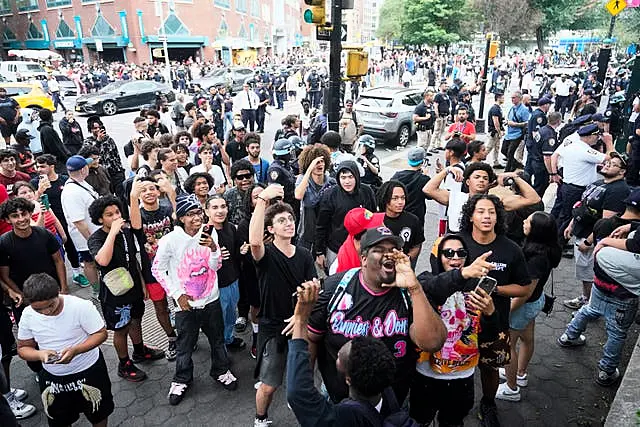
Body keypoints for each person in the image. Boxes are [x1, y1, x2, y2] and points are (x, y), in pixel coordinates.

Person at [308, 226, 447, 404]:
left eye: (393, 251)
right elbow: (312, 338)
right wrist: (308, 387)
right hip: (340, 400)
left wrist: (414, 288)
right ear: (364, 259)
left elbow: (432, 343)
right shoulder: (334, 288)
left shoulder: (410, 294)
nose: (388, 255)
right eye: (380, 250)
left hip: (391, 402)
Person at [287, 281, 412, 427]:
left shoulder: (343, 419)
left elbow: (298, 393)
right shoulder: (387, 395)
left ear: (348, 380)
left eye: (339, 357)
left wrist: (301, 319)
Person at [152, 193, 238, 404]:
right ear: (181, 218)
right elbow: (157, 269)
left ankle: (221, 370)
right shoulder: (170, 240)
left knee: (217, 339)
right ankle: (181, 379)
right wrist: (177, 294)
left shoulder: (208, 234)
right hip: (186, 305)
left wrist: (213, 248)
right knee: (185, 344)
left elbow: (215, 266)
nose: (197, 218)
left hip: (211, 299)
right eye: (190, 214)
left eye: (198, 212)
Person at [458, 194, 531, 427]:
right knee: (456, 365)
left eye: (491, 212)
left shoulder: (511, 249)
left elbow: (524, 288)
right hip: (458, 323)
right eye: (480, 211)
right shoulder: (456, 244)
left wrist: (495, 289)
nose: (487, 216)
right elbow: (439, 276)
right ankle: (454, 405)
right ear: (471, 215)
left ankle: (488, 403)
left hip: (495, 322)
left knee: (489, 367)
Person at [412, 234, 499, 426]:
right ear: (436, 256)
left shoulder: (477, 288)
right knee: (420, 420)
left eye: (461, 253)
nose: (455, 257)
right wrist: (463, 274)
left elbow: (488, 336)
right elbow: (434, 288)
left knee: (453, 421)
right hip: (426, 375)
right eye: (448, 253)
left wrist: (490, 313)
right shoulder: (425, 280)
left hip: (462, 377)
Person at [249, 186, 317, 427]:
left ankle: (295, 399)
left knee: (302, 377)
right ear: (271, 229)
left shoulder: (305, 256)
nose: (288, 223)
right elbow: (254, 241)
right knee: (268, 385)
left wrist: (299, 317)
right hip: (273, 327)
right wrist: (262, 200)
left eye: (290, 218)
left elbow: (312, 291)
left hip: (299, 325)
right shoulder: (266, 255)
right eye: (281, 220)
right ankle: (260, 418)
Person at [16, 273, 113, 427]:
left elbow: (101, 334)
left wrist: (76, 350)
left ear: (58, 293)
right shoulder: (28, 314)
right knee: (59, 418)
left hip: (89, 370)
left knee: (98, 413)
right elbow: (23, 348)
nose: (46, 312)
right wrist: (39, 354)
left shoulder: (80, 306)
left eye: (50, 305)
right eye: (38, 310)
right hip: (53, 377)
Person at [558, 209, 640, 386]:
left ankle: (569, 336)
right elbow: (634, 246)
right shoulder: (629, 247)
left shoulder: (604, 235)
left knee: (589, 309)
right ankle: (607, 370)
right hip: (624, 296)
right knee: (617, 333)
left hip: (600, 285)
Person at [88, 196, 163, 382]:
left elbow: (132, 260)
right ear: (99, 219)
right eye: (109, 215)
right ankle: (124, 364)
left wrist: (143, 283)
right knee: (121, 328)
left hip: (133, 286)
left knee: (136, 319)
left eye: (117, 213)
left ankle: (139, 351)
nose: (115, 217)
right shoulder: (96, 238)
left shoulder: (127, 232)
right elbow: (103, 260)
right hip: (115, 293)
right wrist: (113, 233)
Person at [496, 212, 561, 402]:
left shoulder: (536, 259)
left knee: (508, 346)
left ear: (536, 230)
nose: (524, 222)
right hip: (535, 302)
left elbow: (524, 293)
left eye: (528, 221)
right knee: (527, 338)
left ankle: (511, 388)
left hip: (523, 306)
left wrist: (505, 313)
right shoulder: (546, 249)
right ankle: (521, 374)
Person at [562, 152, 629, 310]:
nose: (607, 164)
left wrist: (589, 241)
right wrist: (571, 225)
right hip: (580, 231)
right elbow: (583, 205)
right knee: (583, 272)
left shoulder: (618, 190)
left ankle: (590, 304)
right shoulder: (600, 183)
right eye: (608, 162)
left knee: (588, 273)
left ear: (622, 172)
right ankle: (587, 298)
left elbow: (606, 223)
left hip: (591, 239)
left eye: (613, 164)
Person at [129, 177, 177, 361]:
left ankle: (188, 332)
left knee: (180, 302)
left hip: (174, 267)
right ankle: (172, 337)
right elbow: (135, 226)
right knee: (161, 307)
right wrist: (133, 198)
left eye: (152, 188)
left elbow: (179, 217)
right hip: (152, 272)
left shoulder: (166, 209)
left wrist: (171, 193)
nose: (149, 192)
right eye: (144, 190)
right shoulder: (137, 214)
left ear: (158, 191)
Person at [550, 123, 615, 239]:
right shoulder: (584, 150)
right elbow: (610, 157)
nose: (598, 138)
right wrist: (609, 142)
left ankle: (556, 240)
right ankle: (558, 243)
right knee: (569, 218)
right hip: (576, 189)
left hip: (569, 187)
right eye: (596, 136)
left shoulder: (573, 146)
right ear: (589, 136)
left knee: (564, 216)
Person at [315, 161, 376, 271]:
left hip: (363, 248)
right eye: (343, 177)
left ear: (356, 176)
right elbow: (321, 225)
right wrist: (319, 251)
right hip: (335, 248)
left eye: (350, 177)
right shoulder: (330, 195)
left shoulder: (367, 191)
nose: (347, 182)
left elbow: (373, 218)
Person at [205, 195, 246, 351]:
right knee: (218, 318)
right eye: (215, 208)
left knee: (230, 314)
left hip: (233, 280)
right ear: (207, 211)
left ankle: (228, 339)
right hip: (215, 285)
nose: (220, 211)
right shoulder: (205, 233)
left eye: (223, 206)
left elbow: (235, 253)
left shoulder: (230, 228)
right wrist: (214, 254)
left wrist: (241, 251)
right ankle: (219, 348)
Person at [61, 155, 101, 292]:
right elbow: (78, 222)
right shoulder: (72, 192)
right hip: (86, 238)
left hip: (95, 232)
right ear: (83, 169)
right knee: (90, 263)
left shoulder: (81, 182)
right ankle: (97, 290)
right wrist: (92, 241)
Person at [295, 144, 335, 252]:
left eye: (322, 161)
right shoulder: (303, 180)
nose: (319, 165)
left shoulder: (331, 182)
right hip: (307, 234)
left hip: (326, 234)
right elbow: (298, 195)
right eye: (316, 162)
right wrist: (308, 170)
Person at [377, 181, 424, 265]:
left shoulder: (413, 220)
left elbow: (417, 245)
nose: (400, 202)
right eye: (395, 198)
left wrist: (407, 259)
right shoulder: (376, 220)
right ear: (385, 199)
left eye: (403, 198)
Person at [84, 116, 126, 196]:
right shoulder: (88, 142)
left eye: (98, 127)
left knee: (122, 198)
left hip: (116, 172)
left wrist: (121, 170)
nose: (97, 130)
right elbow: (90, 154)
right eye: (94, 128)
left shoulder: (109, 139)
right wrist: (98, 141)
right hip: (102, 174)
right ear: (90, 130)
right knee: (108, 197)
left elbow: (116, 155)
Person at [391, 147, 431, 225]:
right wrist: (425, 176)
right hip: (417, 216)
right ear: (423, 162)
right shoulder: (424, 179)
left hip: (399, 213)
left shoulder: (397, 175)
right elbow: (430, 195)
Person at [267, 139, 298, 214]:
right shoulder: (275, 169)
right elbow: (276, 196)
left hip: (293, 203)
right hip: (286, 207)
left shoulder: (286, 166)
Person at [502, 91, 531, 172]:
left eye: (514, 98)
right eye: (511, 98)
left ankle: (507, 171)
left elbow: (527, 123)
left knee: (510, 152)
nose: (512, 99)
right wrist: (507, 122)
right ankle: (516, 164)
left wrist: (515, 124)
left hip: (517, 134)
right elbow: (509, 118)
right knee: (503, 150)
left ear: (519, 98)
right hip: (509, 133)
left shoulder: (524, 110)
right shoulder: (512, 108)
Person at [223, 159, 256, 225]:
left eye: (248, 176)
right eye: (240, 177)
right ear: (234, 180)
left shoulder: (261, 192)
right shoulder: (228, 196)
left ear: (253, 177)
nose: (245, 180)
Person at [431, 81, 452, 152]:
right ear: (440, 87)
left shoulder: (446, 96)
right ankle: (432, 146)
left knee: (442, 131)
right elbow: (435, 106)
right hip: (439, 116)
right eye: (444, 86)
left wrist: (448, 114)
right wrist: (437, 116)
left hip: (445, 116)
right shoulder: (438, 96)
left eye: (446, 86)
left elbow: (448, 106)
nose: (446, 87)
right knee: (436, 131)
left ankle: (438, 144)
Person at [487, 93, 505, 168]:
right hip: (494, 132)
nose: (503, 99)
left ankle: (496, 162)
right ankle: (478, 159)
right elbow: (495, 121)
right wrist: (499, 131)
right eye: (502, 98)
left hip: (496, 131)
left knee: (496, 147)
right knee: (489, 147)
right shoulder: (495, 109)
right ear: (498, 98)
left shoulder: (498, 108)